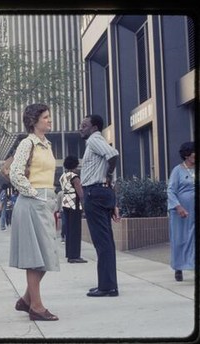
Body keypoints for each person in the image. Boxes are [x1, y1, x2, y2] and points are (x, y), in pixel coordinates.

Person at [9, 103, 60, 321]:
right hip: (32, 202)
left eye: (49, 116)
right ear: (34, 121)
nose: (50, 120)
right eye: (46, 117)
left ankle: (26, 300)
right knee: (35, 257)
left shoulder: (46, 145)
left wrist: (50, 198)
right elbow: (15, 173)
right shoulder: (27, 144)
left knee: (47, 254)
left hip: (45, 202)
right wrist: (34, 193)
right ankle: (36, 307)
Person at [79, 114, 120, 297]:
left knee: (102, 243)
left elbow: (113, 154)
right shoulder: (96, 141)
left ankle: (106, 286)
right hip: (100, 192)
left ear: (94, 127)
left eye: (84, 125)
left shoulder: (94, 140)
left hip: (94, 193)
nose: (81, 128)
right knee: (106, 242)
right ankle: (109, 285)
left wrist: (109, 175)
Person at [167, 141, 195, 282]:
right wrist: (178, 207)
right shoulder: (177, 170)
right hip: (181, 212)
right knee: (180, 239)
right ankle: (178, 267)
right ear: (186, 154)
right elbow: (171, 190)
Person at [59, 156, 87, 263]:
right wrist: (84, 204)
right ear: (75, 165)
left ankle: (69, 253)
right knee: (75, 229)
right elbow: (80, 193)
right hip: (74, 202)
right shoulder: (75, 177)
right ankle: (75, 255)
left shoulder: (63, 176)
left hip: (65, 202)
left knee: (69, 229)